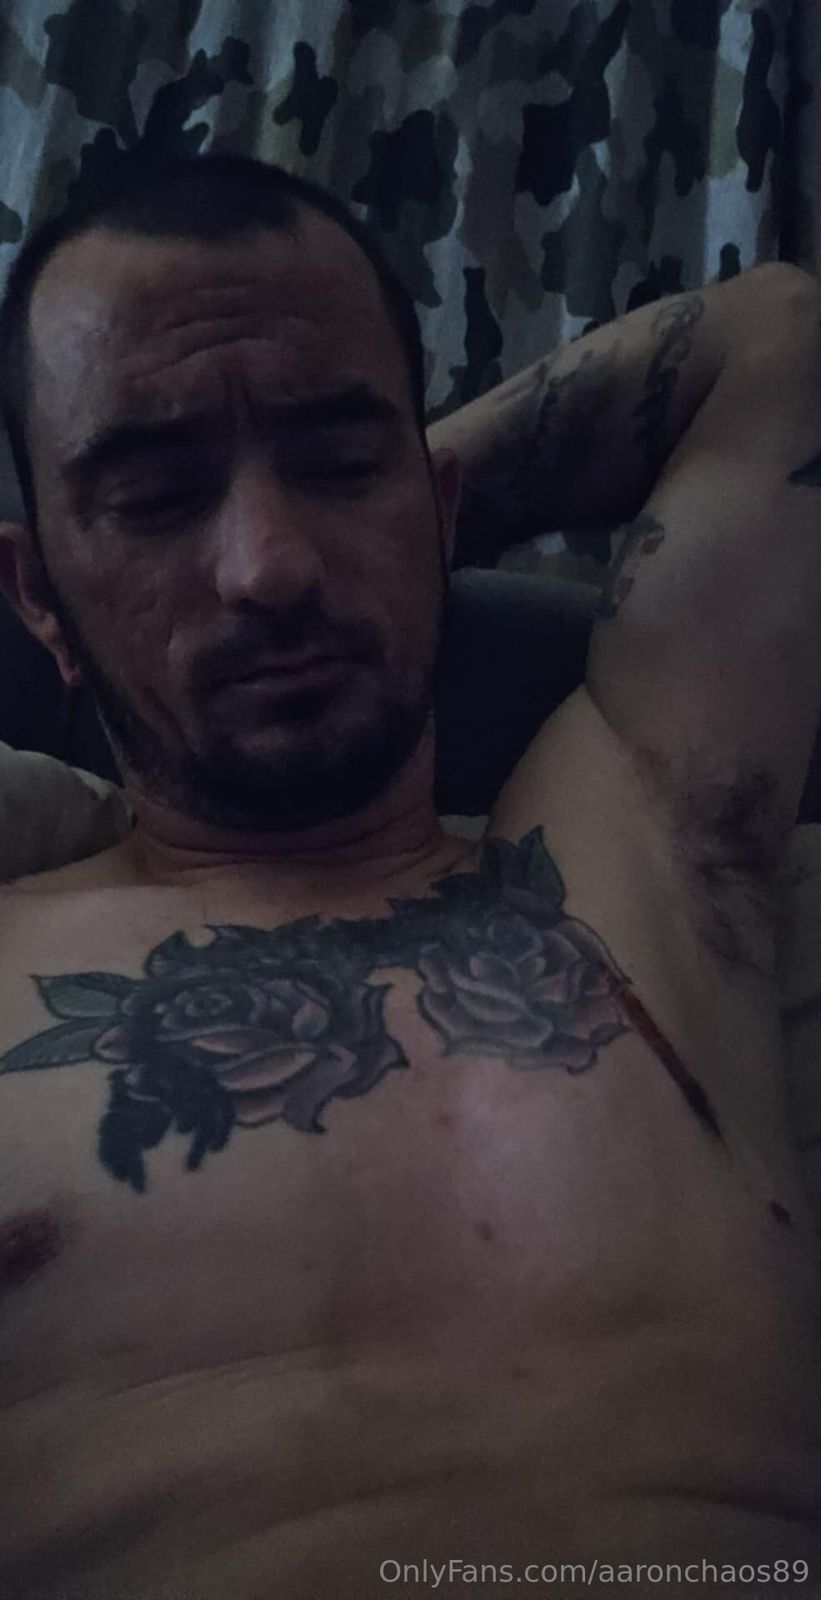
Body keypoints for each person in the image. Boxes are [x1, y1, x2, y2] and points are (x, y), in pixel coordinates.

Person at [0, 152, 819, 1600]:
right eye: (157, 495)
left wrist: (420, 517)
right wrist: (354, 479)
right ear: (37, 599)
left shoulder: (643, 845)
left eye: (337, 466)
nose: (269, 568)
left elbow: (786, 344)